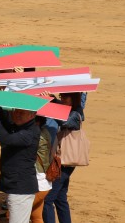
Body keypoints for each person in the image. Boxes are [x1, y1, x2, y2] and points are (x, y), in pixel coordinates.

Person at [0, 104, 40, 223]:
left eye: (22, 112)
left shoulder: (29, 132)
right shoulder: (21, 127)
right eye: (16, 111)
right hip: (18, 186)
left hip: (21, 188)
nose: (17, 114)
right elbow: (6, 122)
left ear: (32, 115)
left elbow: (6, 139)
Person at [43, 92, 84, 223]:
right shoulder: (73, 110)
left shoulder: (75, 115)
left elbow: (63, 120)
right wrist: (53, 99)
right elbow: (62, 109)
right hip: (65, 161)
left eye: (65, 97)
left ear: (73, 99)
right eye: (62, 97)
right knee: (60, 198)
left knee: (47, 200)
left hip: (65, 162)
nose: (63, 100)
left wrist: (49, 105)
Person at [32, 116, 53, 223]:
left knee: (15, 213)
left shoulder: (37, 136)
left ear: (37, 121)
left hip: (40, 180)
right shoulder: (45, 132)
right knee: (36, 217)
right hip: (43, 179)